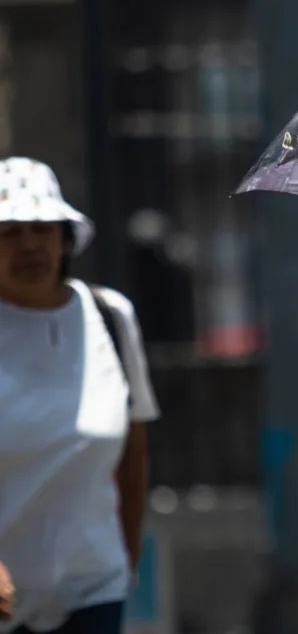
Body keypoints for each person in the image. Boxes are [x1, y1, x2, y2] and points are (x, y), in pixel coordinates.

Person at [0, 158, 159, 634]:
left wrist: (125, 564)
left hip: (94, 587)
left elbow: (134, 457)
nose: (29, 245)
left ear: (65, 238)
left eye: (43, 228)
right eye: (9, 231)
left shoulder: (111, 317)